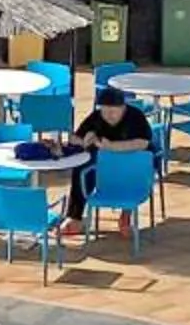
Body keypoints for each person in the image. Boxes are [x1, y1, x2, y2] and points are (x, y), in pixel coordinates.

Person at [63, 84, 153, 235]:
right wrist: (85, 140)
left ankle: (126, 214)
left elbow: (143, 143)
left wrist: (112, 146)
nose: (108, 116)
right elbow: (74, 138)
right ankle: (75, 217)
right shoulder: (97, 117)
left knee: (128, 172)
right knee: (81, 169)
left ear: (123, 108)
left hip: (133, 162)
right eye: (105, 111)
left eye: (113, 111)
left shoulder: (135, 117)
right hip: (105, 163)